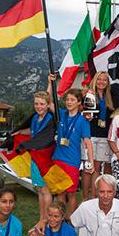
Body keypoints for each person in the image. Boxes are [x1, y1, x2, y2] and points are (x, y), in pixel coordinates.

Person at [48, 74, 95, 217]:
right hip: (58, 159)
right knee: (60, 193)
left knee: (72, 193)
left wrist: (91, 162)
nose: (69, 102)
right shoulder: (62, 114)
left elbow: (87, 142)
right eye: (67, 99)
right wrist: (50, 83)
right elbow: (49, 102)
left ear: (79, 102)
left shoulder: (82, 121)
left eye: (72, 100)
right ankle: (61, 219)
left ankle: (71, 219)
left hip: (72, 162)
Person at [16, 91, 54, 226]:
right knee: (39, 189)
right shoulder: (34, 118)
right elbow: (32, 132)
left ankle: (47, 219)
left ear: (48, 105)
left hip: (44, 158)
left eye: (42, 104)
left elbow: (45, 137)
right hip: (34, 157)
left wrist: (50, 83)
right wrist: (20, 132)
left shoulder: (50, 119)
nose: (39, 106)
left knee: (45, 190)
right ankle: (42, 217)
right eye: (36, 104)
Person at [81, 71, 115, 201]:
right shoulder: (89, 95)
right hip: (90, 135)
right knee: (87, 167)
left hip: (103, 136)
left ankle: (94, 197)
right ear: (95, 80)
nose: (101, 82)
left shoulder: (108, 97)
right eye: (99, 79)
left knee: (97, 168)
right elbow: (83, 112)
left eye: (104, 80)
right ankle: (85, 198)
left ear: (107, 83)